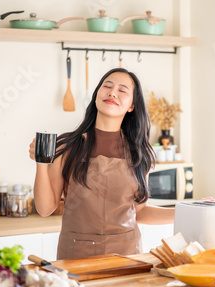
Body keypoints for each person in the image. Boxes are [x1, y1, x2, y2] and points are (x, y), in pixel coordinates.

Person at [29, 68, 175, 260]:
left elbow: (139, 212)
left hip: (127, 256)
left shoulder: (140, 154)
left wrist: (186, 212)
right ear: (96, 96)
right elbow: (45, 208)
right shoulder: (67, 146)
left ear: (132, 105)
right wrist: (41, 162)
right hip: (76, 256)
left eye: (122, 90)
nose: (112, 92)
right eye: (107, 86)